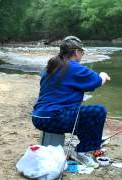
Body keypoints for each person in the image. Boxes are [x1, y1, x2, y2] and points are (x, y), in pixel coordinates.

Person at [31, 36, 111, 167]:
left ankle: (88, 141)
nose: (82, 55)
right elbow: (97, 81)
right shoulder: (74, 67)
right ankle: (82, 151)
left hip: (38, 118)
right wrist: (103, 75)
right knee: (98, 111)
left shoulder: (50, 67)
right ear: (76, 52)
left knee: (79, 113)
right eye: (82, 52)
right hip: (54, 118)